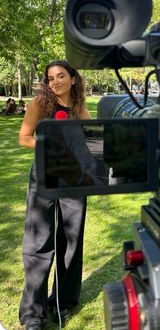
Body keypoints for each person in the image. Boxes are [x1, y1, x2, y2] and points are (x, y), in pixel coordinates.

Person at [18, 60, 91, 330]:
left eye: (61, 76)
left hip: (74, 179)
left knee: (71, 240)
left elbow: (91, 140)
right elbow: (24, 137)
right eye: (50, 78)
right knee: (38, 241)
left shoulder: (80, 107)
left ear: (73, 79)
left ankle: (63, 301)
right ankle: (33, 314)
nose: (55, 82)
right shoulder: (40, 103)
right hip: (45, 176)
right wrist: (51, 144)